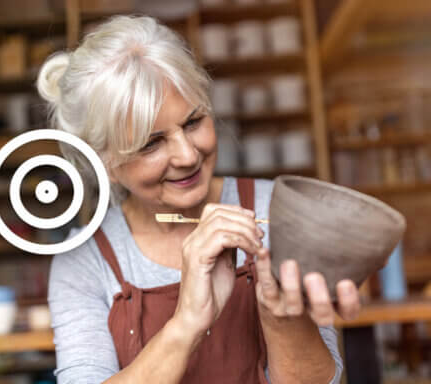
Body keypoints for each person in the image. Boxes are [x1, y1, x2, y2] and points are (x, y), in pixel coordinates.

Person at [37, 15, 360, 383]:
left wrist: (283, 321)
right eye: (151, 143)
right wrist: (188, 321)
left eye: (193, 122)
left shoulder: (279, 212)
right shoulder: (83, 262)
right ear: (104, 164)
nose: (188, 155)